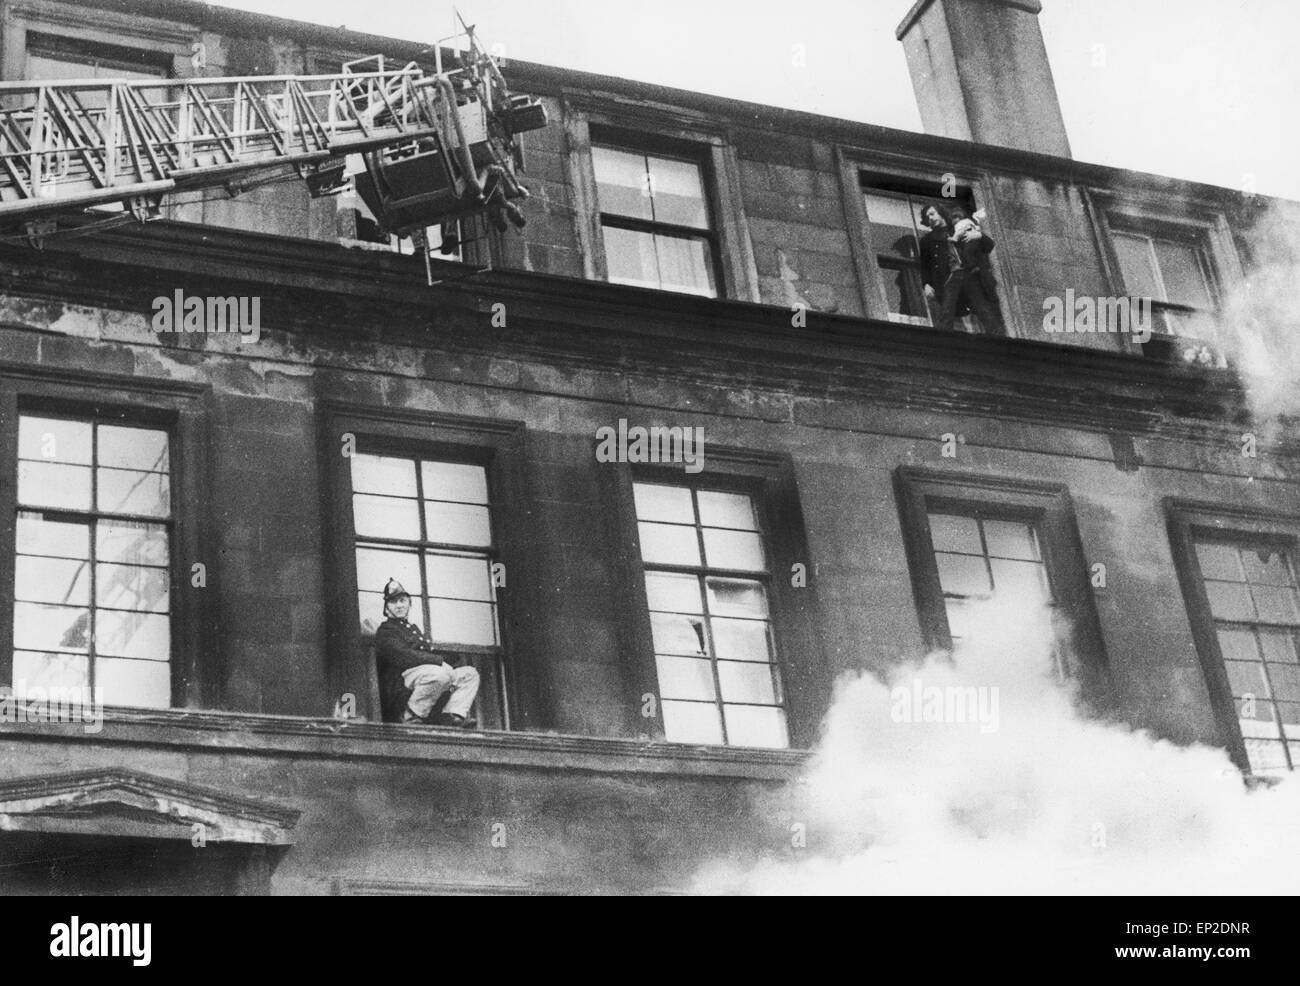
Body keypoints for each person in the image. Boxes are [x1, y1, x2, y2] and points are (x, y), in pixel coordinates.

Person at [374, 578, 480, 728]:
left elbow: (424, 653)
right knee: (439, 674)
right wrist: (439, 661)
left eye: (402, 601)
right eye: (393, 602)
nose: (399, 605)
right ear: (386, 608)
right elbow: (404, 656)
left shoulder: (412, 628)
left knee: (469, 674)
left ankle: (452, 715)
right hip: (403, 680)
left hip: (423, 674)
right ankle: (411, 715)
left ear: (409, 603)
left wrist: (446, 660)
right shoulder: (386, 631)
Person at [918, 203, 1005, 335]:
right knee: (947, 310)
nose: (930, 218)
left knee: (982, 307)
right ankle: (943, 340)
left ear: (941, 213)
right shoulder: (927, 240)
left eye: (932, 213)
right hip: (950, 277)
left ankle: (998, 339)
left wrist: (979, 235)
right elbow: (925, 265)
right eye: (927, 216)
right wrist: (926, 284)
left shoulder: (961, 227)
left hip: (970, 274)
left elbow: (988, 246)